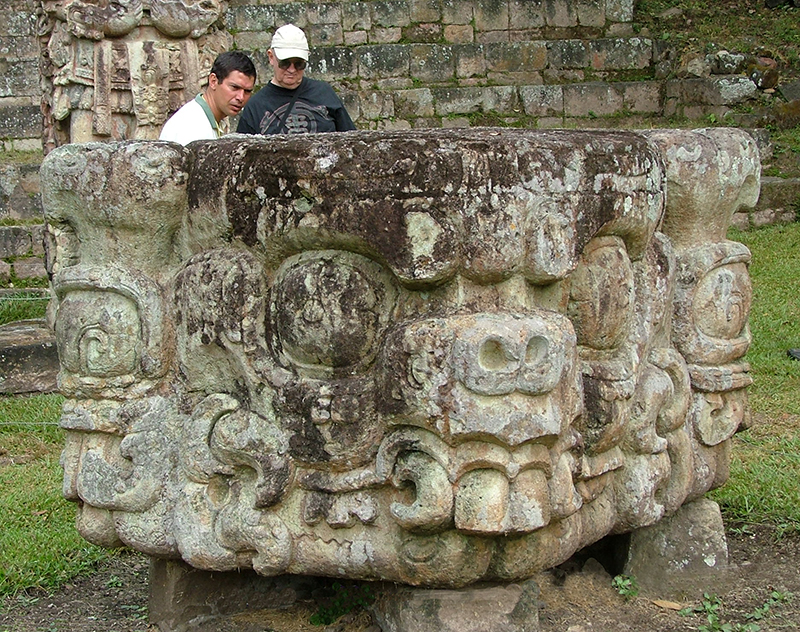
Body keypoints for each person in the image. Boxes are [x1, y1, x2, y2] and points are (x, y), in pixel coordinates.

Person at [236, 24, 356, 135]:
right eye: (285, 63)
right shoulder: (255, 106)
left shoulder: (324, 93)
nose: (292, 70)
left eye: (299, 64)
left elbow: (352, 141)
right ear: (271, 57)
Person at [160, 51, 256, 145]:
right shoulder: (191, 126)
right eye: (234, 87)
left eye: (247, 91)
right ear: (213, 81)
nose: (241, 97)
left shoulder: (203, 120)